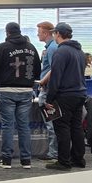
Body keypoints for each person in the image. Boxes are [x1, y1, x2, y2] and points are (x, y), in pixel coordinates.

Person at [0, 22, 40, 170]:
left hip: (5, 90)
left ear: (7, 32)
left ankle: (6, 160)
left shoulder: (2, 48)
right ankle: (26, 160)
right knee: (24, 125)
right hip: (25, 91)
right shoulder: (31, 48)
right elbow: (37, 70)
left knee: (7, 125)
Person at [45, 23, 88, 171]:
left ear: (58, 34)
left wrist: (48, 99)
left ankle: (63, 161)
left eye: (54, 33)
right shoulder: (80, 52)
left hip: (64, 95)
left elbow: (56, 77)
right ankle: (78, 158)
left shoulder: (61, 51)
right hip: (80, 94)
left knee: (62, 128)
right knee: (76, 128)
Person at [35, 21, 59, 163]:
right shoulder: (50, 47)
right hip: (47, 88)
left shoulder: (52, 48)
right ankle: (54, 151)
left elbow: (54, 68)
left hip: (48, 89)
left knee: (51, 123)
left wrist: (43, 81)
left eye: (39, 32)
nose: (38, 34)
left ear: (45, 33)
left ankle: (53, 152)